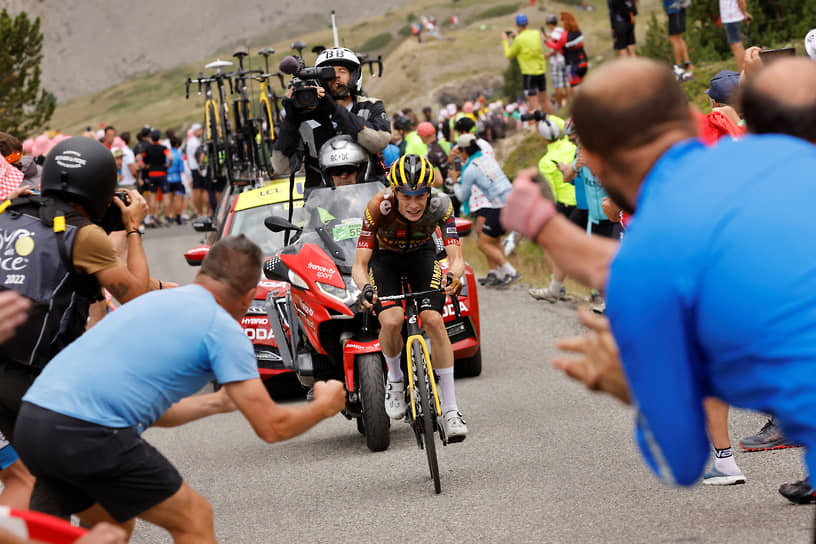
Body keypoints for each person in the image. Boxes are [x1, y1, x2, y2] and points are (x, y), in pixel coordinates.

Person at [502, 58, 816, 520]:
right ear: (692, 120)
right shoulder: (780, 151)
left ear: (597, 164)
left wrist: (635, 382)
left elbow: (683, 457)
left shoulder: (649, 269)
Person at [13, 235, 346, 541]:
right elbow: (272, 428)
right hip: (85, 429)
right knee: (194, 517)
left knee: (112, 524)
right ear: (248, 296)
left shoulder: (155, 302)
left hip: (33, 419)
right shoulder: (221, 328)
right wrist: (323, 406)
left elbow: (152, 411)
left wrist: (216, 403)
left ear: (204, 273)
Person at [0, 137, 165, 511]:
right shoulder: (83, 235)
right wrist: (134, 227)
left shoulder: (12, 212)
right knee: (69, 485)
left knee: (44, 477)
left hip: (5, 370)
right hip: (36, 377)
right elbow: (134, 295)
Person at [352, 154, 468, 441]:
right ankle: (394, 379)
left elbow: (456, 257)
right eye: (406, 196)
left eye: (420, 196)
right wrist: (366, 287)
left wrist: (454, 275)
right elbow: (359, 265)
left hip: (422, 256)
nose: (414, 204)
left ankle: (451, 411)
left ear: (429, 192)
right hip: (385, 260)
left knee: (433, 320)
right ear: (395, 192)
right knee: (391, 320)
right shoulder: (379, 206)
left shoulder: (441, 205)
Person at [275, 47, 391, 190]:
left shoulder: (371, 106)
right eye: (329, 72)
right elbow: (281, 167)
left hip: (369, 201)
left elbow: (380, 142)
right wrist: (291, 121)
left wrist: (335, 110)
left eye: (342, 70)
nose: (336, 76)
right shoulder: (307, 115)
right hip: (322, 205)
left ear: (354, 75)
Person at [453, 134, 520, 289]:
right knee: (494, 240)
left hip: (499, 205)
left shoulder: (470, 169)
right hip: (511, 201)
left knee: (483, 243)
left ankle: (511, 272)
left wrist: (456, 181)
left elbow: (462, 196)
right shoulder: (487, 158)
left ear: (464, 151)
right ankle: (501, 275)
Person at [502, 14, 555, 115]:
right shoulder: (536, 33)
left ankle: (538, 129)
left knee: (534, 104)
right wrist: (517, 36)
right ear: (527, 23)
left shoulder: (519, 39)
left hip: (529, 74)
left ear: (517, 25)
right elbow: (527, 41)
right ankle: (558, 124)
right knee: (545, 100)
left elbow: (509, 55)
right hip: (541, 71)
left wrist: (505, 41)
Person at [547, 12, 589, 87]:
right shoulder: (578, 32)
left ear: (565, 22)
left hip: (571, 65)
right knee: (584, 85)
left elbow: (556, 47)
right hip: (583, 62)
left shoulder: (564, 36)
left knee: (575, 87)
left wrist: (546, 41)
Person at [140, 129, 171, 226]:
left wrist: (147, 166)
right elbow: (170, 157)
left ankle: (153, 217)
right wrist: (168, 165)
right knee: (166, 196)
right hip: (162, 173)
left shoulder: (148, 149)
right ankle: (166, 217)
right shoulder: (164, 148)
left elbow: (143, 160)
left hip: (152, 174)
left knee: (153, 197)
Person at [543, 14, 570, 109]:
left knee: (557, 86)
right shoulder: (561, 31)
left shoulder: (554, 33)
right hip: (565, 59)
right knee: (567, 83)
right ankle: (570, 104)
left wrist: (547, 55)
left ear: (550, 24)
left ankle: (560, 107)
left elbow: (556, 48)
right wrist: (548, 36)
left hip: (556, 61)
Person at [663, 0, 693, 78]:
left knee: (674, 38)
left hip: (675, 9)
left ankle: (678, 66)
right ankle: (687, 62)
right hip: (675, 10)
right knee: (677, 38)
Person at [185, 123, 209, 218]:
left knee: (198, 190)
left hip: (195, 168)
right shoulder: (194, 142)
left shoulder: (194, 141)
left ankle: (200, 211)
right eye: (200, 130)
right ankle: (200, 212)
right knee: (199, 190)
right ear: (195, 131)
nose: (201, 132)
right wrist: (201, 168)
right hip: (197, 169)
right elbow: (199, 157)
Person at [719, 0, 751, 71]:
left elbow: (741, 1)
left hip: (731, 17)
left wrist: (744, 13)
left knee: (736, 45)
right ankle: (744, 71)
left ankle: (743, 72)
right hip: (729, 17)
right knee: (736, 45)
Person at [165, 136, 186, 225]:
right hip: (177, 178)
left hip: (167, 178)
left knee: (169, 199)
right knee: (178, 199)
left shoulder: (167, 153)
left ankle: (170, 216)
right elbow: (182, 169)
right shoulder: (178, 154)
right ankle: (178, 217)